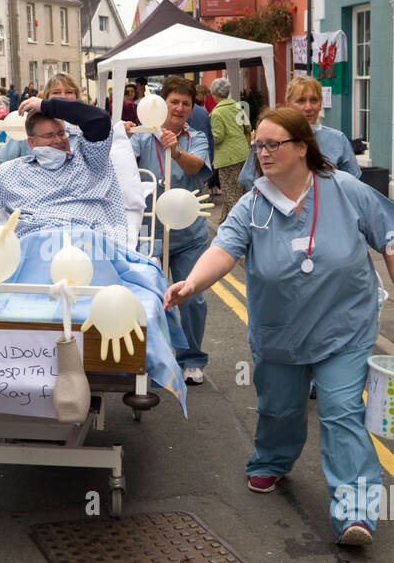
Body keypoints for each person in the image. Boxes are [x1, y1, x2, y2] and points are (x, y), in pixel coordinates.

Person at [164, 107, 394, 544]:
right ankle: (272, 460)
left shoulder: (345, 189)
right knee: (280, 409)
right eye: (258, 145)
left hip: (344, 328)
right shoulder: (252, 203)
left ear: (302, 148)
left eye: (272, 144)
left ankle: (355, 512)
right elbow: (223, 250)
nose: (262, 152)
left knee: (342, 413)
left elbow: (390, 239)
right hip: (278, 331)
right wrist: (191, 283)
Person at [133, 76, 212, 384]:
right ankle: (149, 358)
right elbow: (125, 166)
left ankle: (192, 359)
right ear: (161, 102)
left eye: (186, 104)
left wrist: (175, 150)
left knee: (192, 297)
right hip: (148, 231)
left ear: (192, 108)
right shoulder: (142, 135)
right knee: (146, 297)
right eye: (174, 101)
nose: (179, 108)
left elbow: (196, 167)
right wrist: (124, 136)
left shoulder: (196, 137)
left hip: (188, 234)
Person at [0, 95, 126, 239]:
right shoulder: (12, 172)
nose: (58, 140)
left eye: (61, 133)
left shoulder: (88, 160)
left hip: (86, 242)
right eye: (49, 135)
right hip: (35, 246)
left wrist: (48, 106)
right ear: (31, 142)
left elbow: (99, 121)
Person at [239, 75, 359, 190]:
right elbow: (250, 179)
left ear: (320, 104)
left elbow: (352, 182)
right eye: (301, 101)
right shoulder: (270, 138)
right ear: (288, 104)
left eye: (314, 100)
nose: (308, 107)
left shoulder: (337, 140)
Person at [208, 78, 251, 221]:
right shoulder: (238, 107)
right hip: (243, 154)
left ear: (214, 94)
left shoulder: (217, 113)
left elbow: (218, 137)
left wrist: (208, 135)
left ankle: (238, 225)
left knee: (231, 194)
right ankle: (224, 225)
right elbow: (247, 128)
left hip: (227, 158)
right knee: (239, 191)